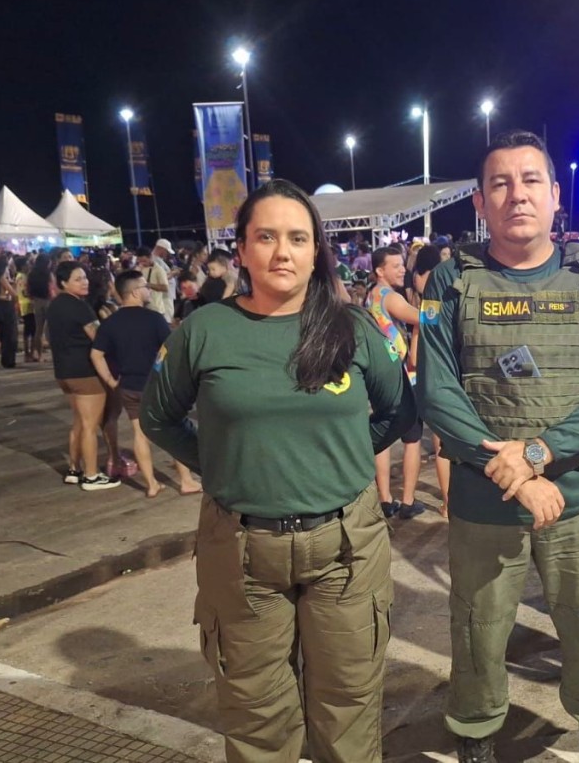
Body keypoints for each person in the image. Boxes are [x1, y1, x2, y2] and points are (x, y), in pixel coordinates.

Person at [142, 179, 414, 763]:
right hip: (240, 548)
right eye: (265, 237)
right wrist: (221, 466)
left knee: (348, 709)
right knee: (256, 715)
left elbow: (398, 412)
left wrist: (341, 459)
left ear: (317, 250)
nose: (282, 252)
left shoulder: (355, 328)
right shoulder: (204, 330)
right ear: (240, 249)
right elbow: (158, 417)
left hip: (347, 545)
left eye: (297, 238)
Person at [417, 131, 579, 763]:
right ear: (481, 203)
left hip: (574, 499)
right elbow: (437, 395)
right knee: (478, 632)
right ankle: (476, 741)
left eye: (531, 180)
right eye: (500, 183)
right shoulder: (450, 282)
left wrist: (538, 453)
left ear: (555, 195)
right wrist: (516, 470)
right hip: (485, 503)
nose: (518, 194)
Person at [90, 270, 200, 497]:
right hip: (157, 386)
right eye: (144, 286)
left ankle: (151, 485)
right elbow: (171, 351)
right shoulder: (154, 319)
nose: (148, 289)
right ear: (134, 292)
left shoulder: (110, 323)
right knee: (174, 431)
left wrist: (111, 381)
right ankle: (186, 481)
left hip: (128, 386)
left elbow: (96, 355)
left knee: (139, 434)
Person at [46, 260, 120, 490]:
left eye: (85, 277)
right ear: (63, 283)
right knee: (90, 425)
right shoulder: (80, 307)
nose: (84, 282)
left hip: (64, 372)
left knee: (78, 422)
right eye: (78, 279)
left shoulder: (56, 305)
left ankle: (74, 469)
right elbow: (98, 338)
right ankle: (91, 476)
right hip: (85, 373)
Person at [367, 245, 426, 518]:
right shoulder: (389, 295)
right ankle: (407, 501)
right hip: (401, 375)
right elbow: (422, 319)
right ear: (380, 271)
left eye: (403, 264)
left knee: (385, 436)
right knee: (412, 437)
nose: (403, 269)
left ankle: (385, 498)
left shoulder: (372, 295)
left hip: (381, 373)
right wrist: (434, 301)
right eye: (396, 266)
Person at [410, 243, 451, 514]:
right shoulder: (451, 297)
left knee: (442, 447)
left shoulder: (429, 304)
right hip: (452, 377)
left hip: (436, 380)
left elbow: (415, 354)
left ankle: (449, 503)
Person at [26, 254, 53, 362]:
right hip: (48, 301)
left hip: (36, 301)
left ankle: (40, 354)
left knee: (39, 329)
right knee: (51, 328)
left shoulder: (31, 274)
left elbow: (28, 289)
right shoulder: (48, 274)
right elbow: (52, 289)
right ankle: (54, 351)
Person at [141, 241, 174, 319]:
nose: (167, 254)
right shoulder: (155, 262)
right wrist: (173, 274)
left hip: (160, 298)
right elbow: (162, 278)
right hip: (160, 298)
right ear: (161, 249)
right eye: (166, 251)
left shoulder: (158, 261)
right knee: (166, 318)